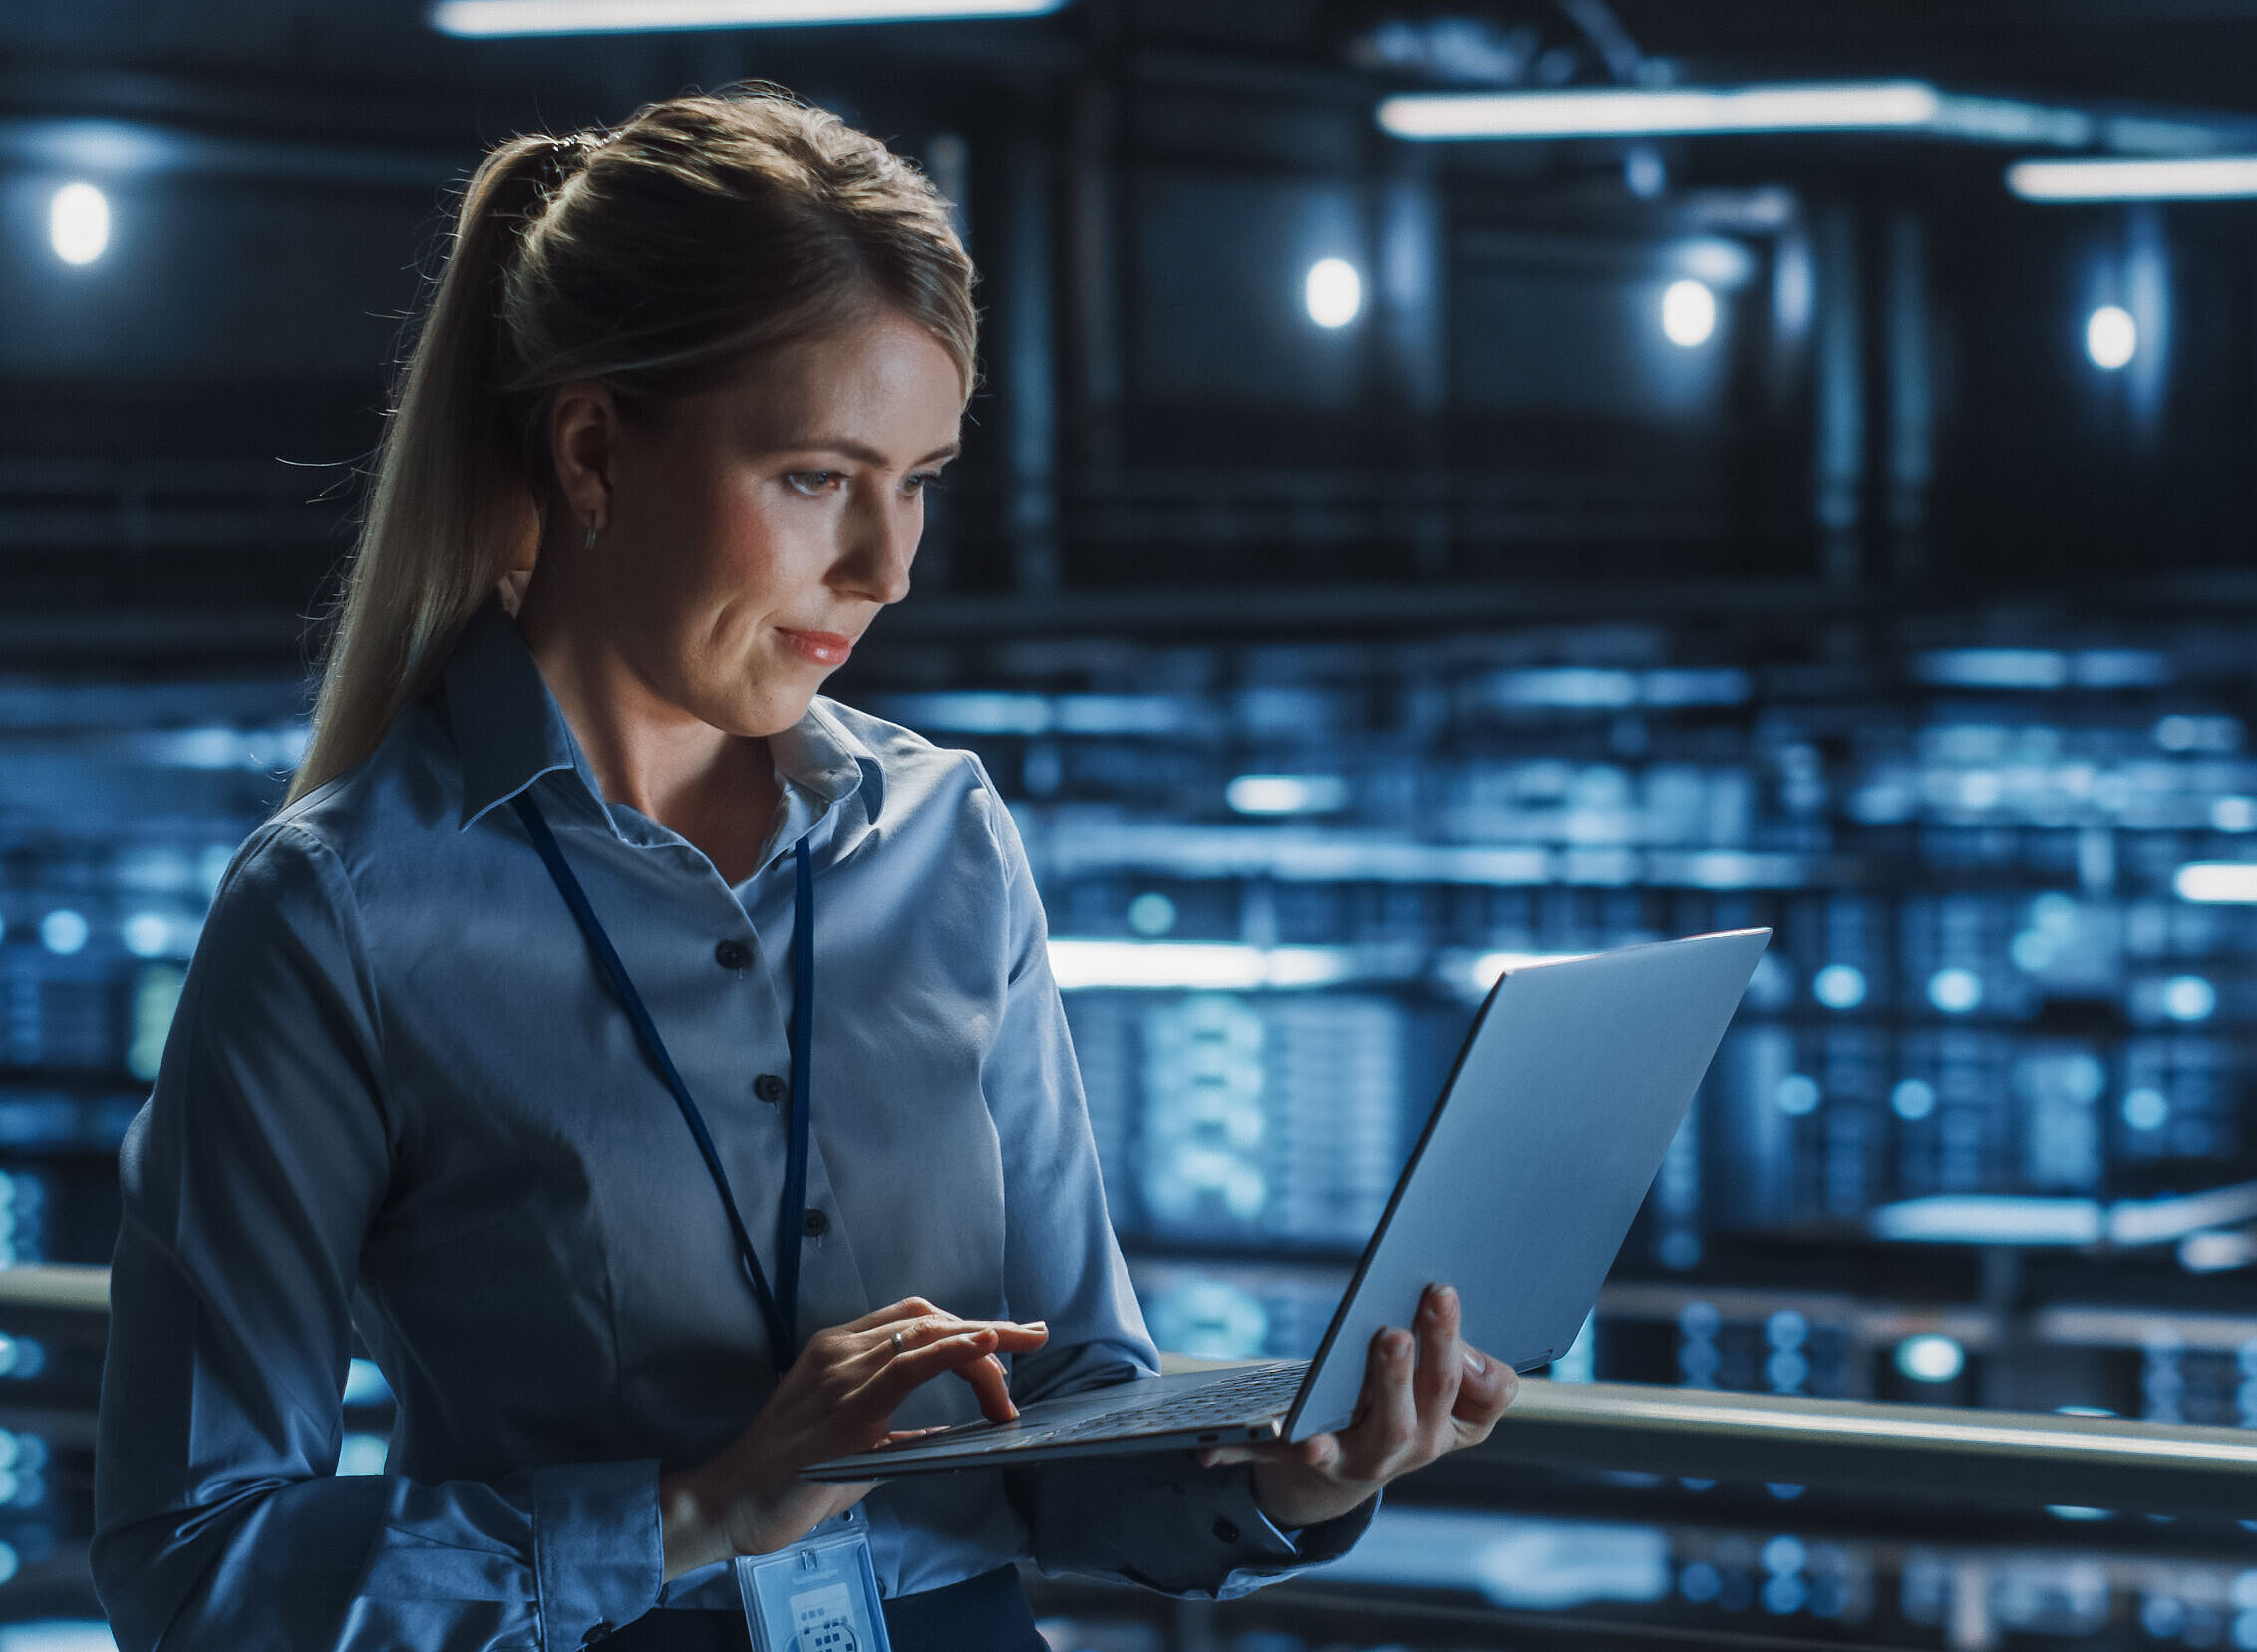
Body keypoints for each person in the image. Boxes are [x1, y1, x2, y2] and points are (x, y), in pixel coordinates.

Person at [88, 91, 1520, 1651]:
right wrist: (694, 1510)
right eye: (816, 477)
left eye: (921, 480)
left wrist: (1297, 1480)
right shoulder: (339, 912)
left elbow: (1064, 1410)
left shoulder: (948, 836)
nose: (887, 568)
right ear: (591, 448)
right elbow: (190, 1561)